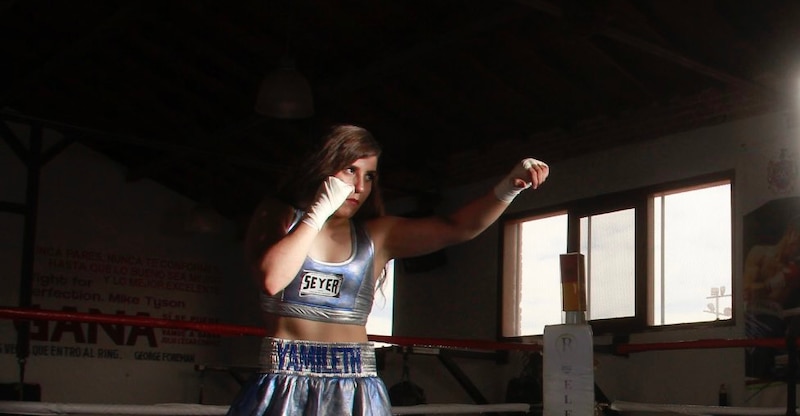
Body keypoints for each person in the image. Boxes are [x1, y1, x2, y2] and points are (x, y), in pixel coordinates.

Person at [226, 124, 550, 416]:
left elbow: (457, 228)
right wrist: (316, 214)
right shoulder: (279, 215)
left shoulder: (375, 236)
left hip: (355, 384)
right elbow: (272, 279)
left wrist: (510, 186)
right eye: (350, 170)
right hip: (285, 382)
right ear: (324, 169)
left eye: (369, 176)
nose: (359, 186)